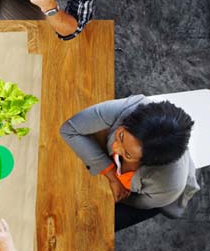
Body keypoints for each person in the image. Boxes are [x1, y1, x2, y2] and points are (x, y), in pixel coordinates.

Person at [60, 96, 198, 230]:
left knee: (98, 224)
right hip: (132, 175)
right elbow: (69, 129)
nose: (115, 147)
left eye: (127, 154)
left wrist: (117, 197)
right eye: (120, 135)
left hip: (151, 197)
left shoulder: (168, 186)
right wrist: (112, 176)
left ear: (146, 162)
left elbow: (140, 203)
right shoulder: (129, 108)